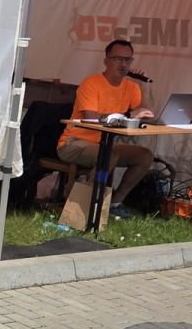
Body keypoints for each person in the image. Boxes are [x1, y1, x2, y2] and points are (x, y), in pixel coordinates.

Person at [57, 38, 155, 217]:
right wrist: (128, 116)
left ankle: (114, 203)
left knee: (144, 156)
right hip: (74, 142)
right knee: (108, 155)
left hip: (104, 143)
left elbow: (148, 114)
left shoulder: (132, 87)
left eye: (128, 60)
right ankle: (85, 207)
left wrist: (145, 87)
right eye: (118, 59)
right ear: (106, 61)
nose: (123, 64)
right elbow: (92, 118)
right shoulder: (91, 83)